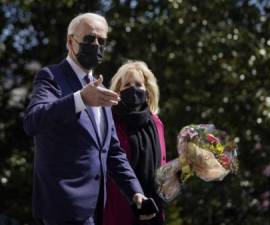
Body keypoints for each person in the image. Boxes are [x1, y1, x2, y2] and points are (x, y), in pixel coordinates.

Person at [23, 13, 155, 225]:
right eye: (89, 39)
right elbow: (33, 121)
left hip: (96, 209)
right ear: (70, 42)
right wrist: (80, 99)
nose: (96, 45)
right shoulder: (50, 77)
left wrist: (135, 192)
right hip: (62, 206)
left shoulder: (101, 91)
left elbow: (111, 150)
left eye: (102, 41)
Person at [103, 61, 167, 225]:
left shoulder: (157, 124)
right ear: (118, 91)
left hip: (152, 212)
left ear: (147, 91)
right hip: (118, 210)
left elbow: (162, 167)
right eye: (127, 85)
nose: (133, 89)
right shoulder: (108, 120)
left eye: (138, 84)